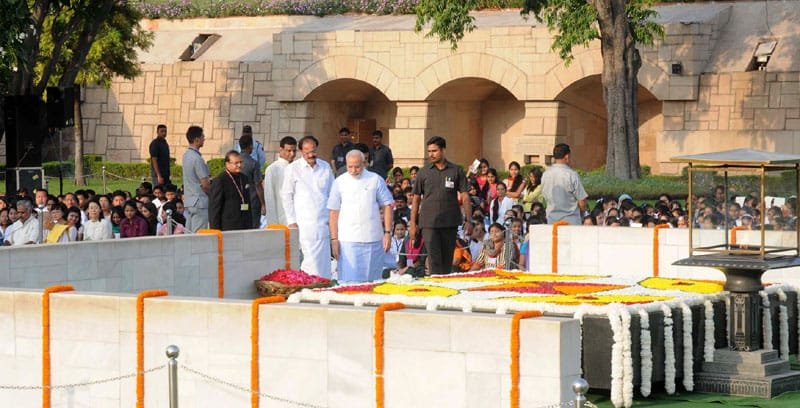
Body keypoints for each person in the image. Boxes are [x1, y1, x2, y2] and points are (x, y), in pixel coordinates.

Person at [409, 136, 473, 275]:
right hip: (429, 222)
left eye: (434, 151)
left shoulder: (456, 170)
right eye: (429, 151)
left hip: (449, 221)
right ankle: (436, 287)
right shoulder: (423, 172)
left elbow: (465, 195)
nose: (431, 154)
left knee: (447, 258)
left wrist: (469, 220)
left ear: (443, 150)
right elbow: (416, 198)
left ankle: (444, 287)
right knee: (434, 258)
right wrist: (413, 223)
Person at [328, 150, 394, 282]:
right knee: (348, 282)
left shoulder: (375, 179)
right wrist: (334, 239)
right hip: (348, 239)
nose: (353, 170)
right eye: (350, 166)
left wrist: (387, 232)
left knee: (373, 281)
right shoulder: (339, 182)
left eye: (357, 166)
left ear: (364, 163)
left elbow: (387, 205)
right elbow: (333, 212)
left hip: (373, 238)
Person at [281, 135, 334, 278]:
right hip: (304, 223)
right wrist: (291, 221)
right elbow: (286, 195)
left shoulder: (325, 167)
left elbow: (332, 194)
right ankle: (309, 288)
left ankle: (323, 286)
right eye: (307, 152)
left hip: (323, 222)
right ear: (300, 152)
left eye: (313, 151)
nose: (311, 155)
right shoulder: (293, 169)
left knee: (323, 261)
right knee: (310, 261)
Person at [541, 143, 588, 225]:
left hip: (551, 220)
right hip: (571, 220)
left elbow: (544, 195)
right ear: (567, 157)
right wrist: (582, 213)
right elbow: (582, 201)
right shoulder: (571, 175)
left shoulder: (545, 174)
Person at [210, 151, 253, 231]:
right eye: (236, 163)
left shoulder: (244, 178)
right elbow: (214, 208)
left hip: (244, 224)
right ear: (227, 164)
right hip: (228, 226)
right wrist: (215, 230)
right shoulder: (220, 180)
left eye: (240, 162)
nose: (239, 165)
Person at [182, 125, 211, 232]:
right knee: (199, 235)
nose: (204, 139)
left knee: (189, 234)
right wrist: (212, 195)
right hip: (200, 202)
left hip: (189, 200)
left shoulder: (186, 155)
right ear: (197, 139)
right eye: (203, 136)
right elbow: (205, 184)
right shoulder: (197, 158)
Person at [264, 136, 297, 225]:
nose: (292, 154)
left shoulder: (298, 168)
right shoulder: (273, 169)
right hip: (281, 218)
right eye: (289, 150)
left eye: (294, 151)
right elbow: (269, 197)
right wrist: (273, 224)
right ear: (280, 150)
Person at [238, 134, 265, 228]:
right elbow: (258, 185)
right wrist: (263, 204)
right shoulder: (253, 163)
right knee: (252, 228)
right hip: (252, 201)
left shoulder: (233, 162)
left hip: (237, 201)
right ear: (250, 146)